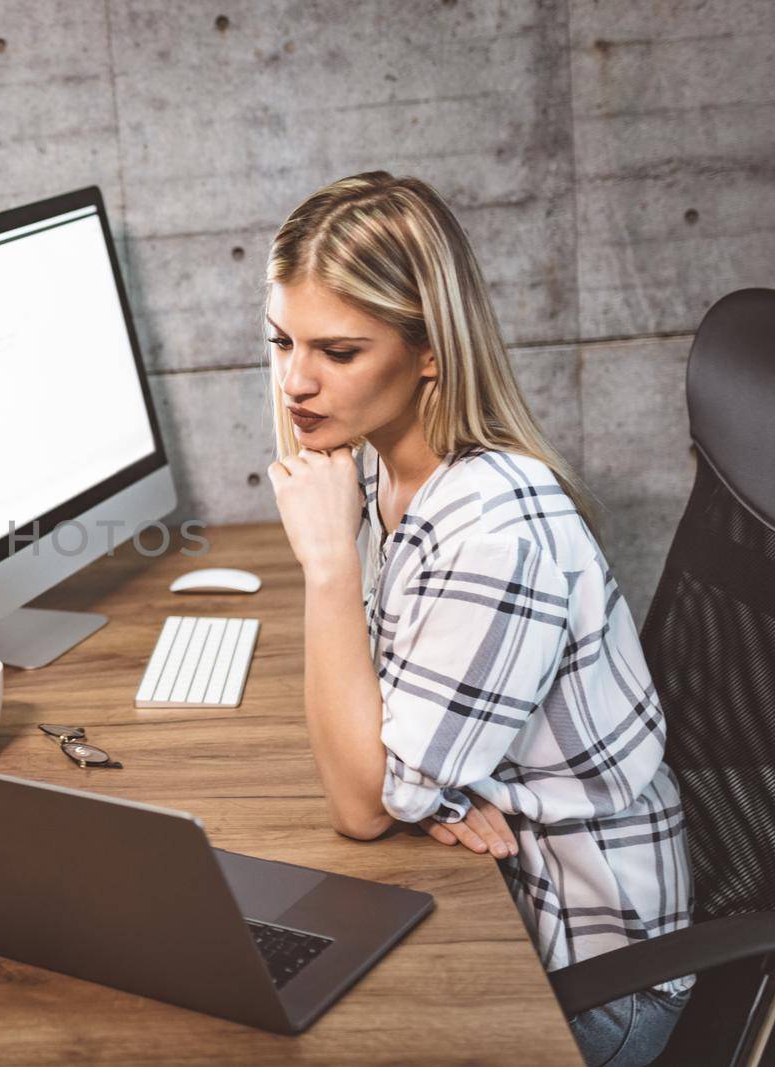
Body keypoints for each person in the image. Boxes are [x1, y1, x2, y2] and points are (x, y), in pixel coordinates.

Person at [261, 172, 692, 1066]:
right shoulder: (383, 463)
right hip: (504, 894)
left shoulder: (496, 529)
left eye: (339, 352)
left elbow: (364, 803)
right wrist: (440, 780)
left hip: (596, 975)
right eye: (282, 341)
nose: (296, 380)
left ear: (430, 353)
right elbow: (394, 765)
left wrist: (329, 565)